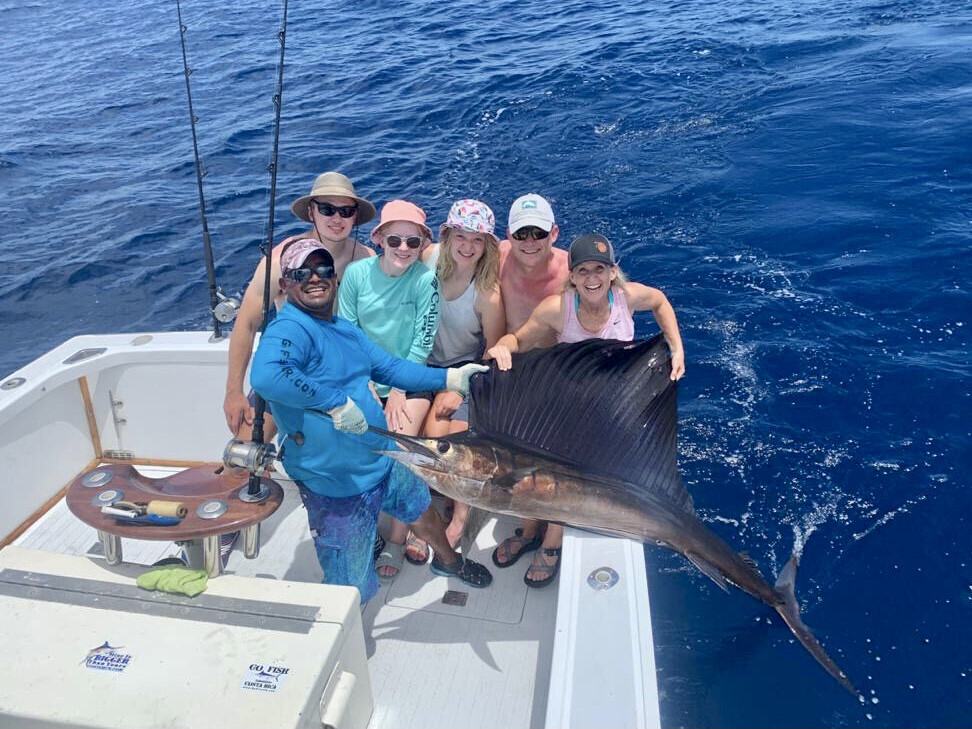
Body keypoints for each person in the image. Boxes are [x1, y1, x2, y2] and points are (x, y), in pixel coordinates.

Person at [249, 239, 492, 603]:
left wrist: (449, 378)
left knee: (419, 506)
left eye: (323, 269)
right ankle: (346, 631)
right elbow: (267, 377)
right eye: (302, 273)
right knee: (349, 588)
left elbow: (390, 368)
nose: (315, 278)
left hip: (383, 456)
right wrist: (333, 403)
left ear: (334, 278)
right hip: (336, 486)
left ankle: (448, 559)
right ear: (285, 284)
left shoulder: (343, 328)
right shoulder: (290, 329)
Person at [486, 233, 686, 588]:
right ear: (572, 277)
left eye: (599, 269)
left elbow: (659, 302)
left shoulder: (627, 297)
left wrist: (676, 346)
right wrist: (502, 347)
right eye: (583, 271)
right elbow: (518, 339)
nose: (592, 278)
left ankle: (551, 543)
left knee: (563, 474)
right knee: (530, 459)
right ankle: (529, 530)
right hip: (572, 402)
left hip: (617, 403)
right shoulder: (557, 308)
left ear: (612, 272)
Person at [223, 171, 376, 440]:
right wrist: (233, 392)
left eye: (346, 211)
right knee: (243, 452)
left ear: (355, 216)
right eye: (327, 209)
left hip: (344, 372)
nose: (337, 218)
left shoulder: (367, 259)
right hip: (290, 368)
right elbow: (246, 323)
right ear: (311, 212)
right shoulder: (280, 259)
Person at [338, 200, 440, 577]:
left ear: (422, 245)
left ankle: (396, 540)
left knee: (401, 452)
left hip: (408, 381)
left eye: (413, 242)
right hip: (361, 377)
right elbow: (347, 332)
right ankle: (362, 528)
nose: (403, 248)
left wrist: (397, 387)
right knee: (349, 448)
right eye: (395, 239)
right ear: (379, 238)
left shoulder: (425, 281)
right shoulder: (356, 274)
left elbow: (423, 342)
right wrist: (364, 383)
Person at [420, 199, 506, 548]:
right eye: (461, 236)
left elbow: (491, 354)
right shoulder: (426, 259)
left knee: (446, 437)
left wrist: (460, 388)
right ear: (447, 236)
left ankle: (459, 518)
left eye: (477, 239)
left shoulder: (487, 293)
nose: (467, 246)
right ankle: (428, 506)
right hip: (419, 364)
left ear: (487, 245)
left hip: (461, 371)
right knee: (415, 434)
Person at [498, 193, 570, 339]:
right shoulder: (496, 259)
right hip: (503, 351)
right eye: (521, 234)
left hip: (557, 353)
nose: (530, 242)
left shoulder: (573, 272)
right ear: (509, 235)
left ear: (554, 234)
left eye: (538, 233)